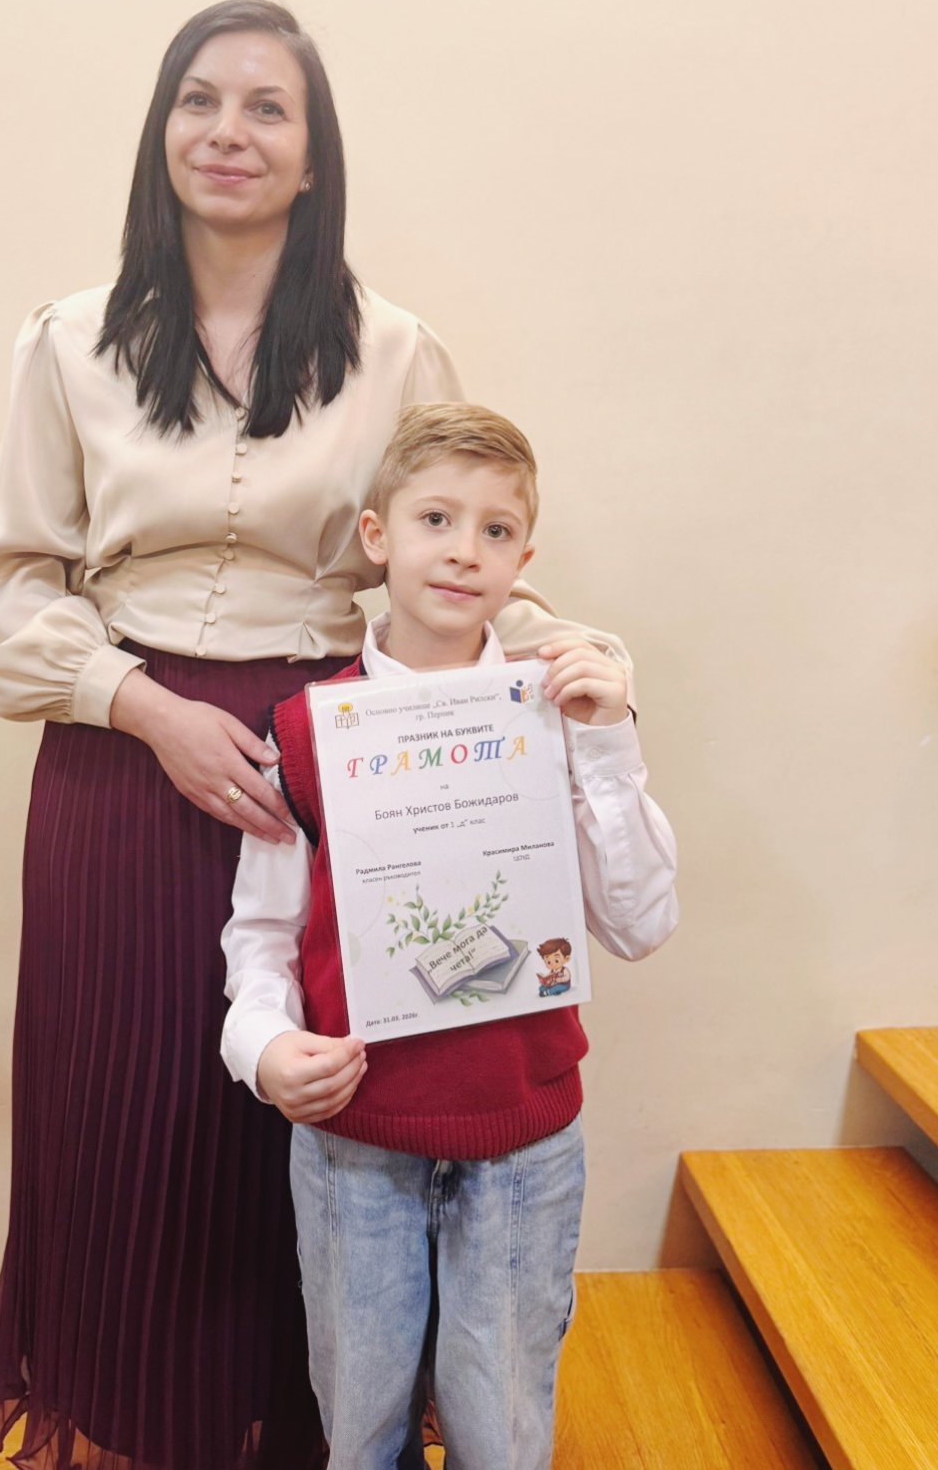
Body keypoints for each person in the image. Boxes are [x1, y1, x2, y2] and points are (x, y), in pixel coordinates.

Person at [0, 0, 627, 1470]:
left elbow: (450, 550)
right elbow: (7, 585)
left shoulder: (395, 349)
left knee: (321, 1125)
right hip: (122, 767)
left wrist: (576, 660)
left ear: (315, 158)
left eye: (268, 110)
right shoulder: (67, 341)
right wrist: (150, 711)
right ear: (161, 132)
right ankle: (146, 1429)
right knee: (129, 1123)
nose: (228, 134)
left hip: (339, 766)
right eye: (199, 101)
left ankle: (315, 1437)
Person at [221, 403, 679, 1470]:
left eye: (496, 529)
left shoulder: (562, 720)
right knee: (360, 1426)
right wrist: (263, 1048)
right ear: (378, 537)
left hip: (522, 1146)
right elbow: (263, 932)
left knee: (502, 1427)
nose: (465, 551)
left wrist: (608, 747)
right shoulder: (305, 733)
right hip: (355, 1141)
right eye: (436, 519)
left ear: (524, 560)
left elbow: (641, 923)